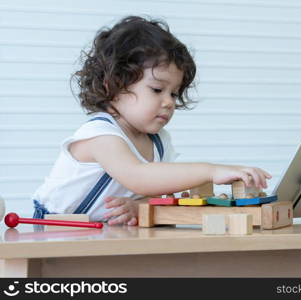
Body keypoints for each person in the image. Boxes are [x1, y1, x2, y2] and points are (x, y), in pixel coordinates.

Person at [31, 16, 272, 226]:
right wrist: (211, 171)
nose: (169, 102)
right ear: (113, 84)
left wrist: (139, 207)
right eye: (157, 90)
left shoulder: (159, 142)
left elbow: (159, 191)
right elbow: (139, 178)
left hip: (100, 232)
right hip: (55, 228)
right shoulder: (99, 134)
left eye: (174, 93)